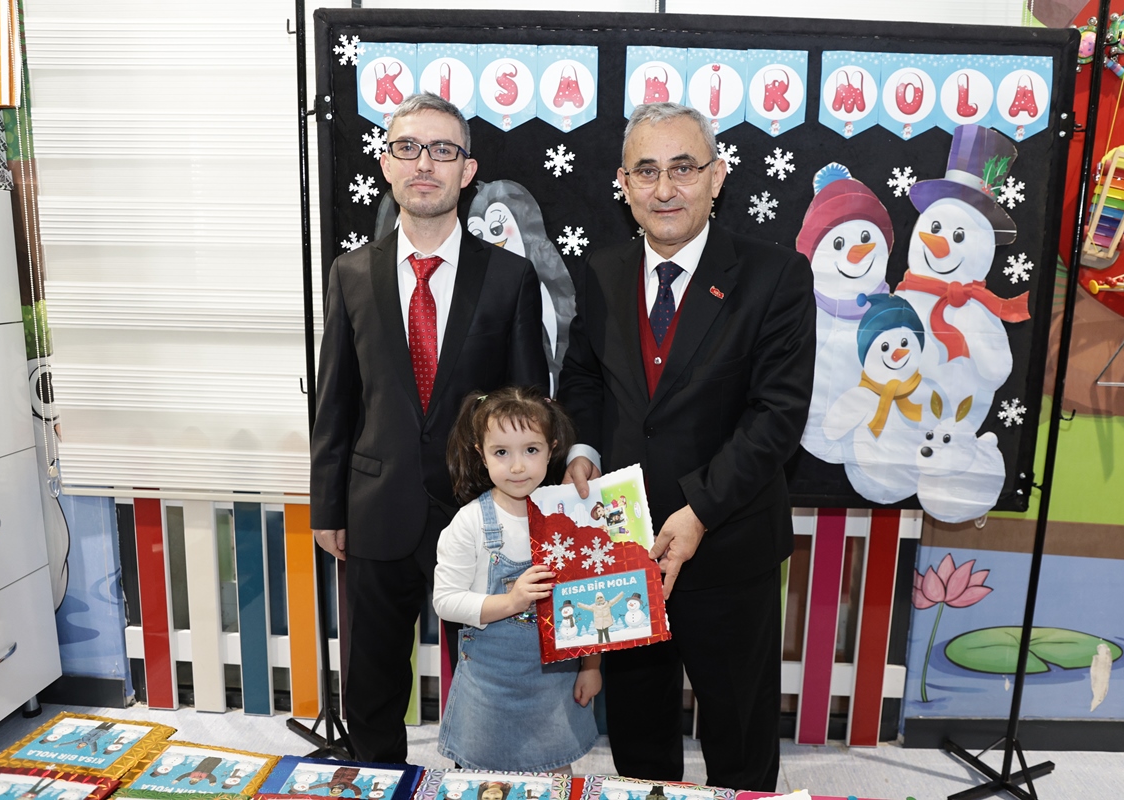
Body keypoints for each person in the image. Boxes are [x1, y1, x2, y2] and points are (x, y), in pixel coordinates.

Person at [557, 102, 815, 791]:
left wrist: (699, 510)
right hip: (623, 546)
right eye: (646, 171)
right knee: (638, 733)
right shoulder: (601, 270)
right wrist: (582, 448)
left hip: (727, 543)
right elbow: (583, 375)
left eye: (683, 168)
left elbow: (777, 416)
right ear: (623, 184)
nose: (664, 188)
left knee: (739, 738)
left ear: (717, 176)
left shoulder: (775, 275)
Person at [310, 92, 548, 763]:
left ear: (466, 171)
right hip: (375, 506)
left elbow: (529, 405)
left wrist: (534, 509)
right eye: (408, 148)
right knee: (372, 681)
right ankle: (378, 776)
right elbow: (336, 401)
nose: (424, 163)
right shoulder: (351, 274)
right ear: (387, 164)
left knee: (496, 672)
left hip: (478, 510)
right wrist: (327, 506)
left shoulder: (509, 277)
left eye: (442, 150)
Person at [433, 386, 600, 772]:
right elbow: (445, 601)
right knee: (486, 786)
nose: (518, 466)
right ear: (481, 453)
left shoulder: (567, 516)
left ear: (551, 449)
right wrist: (511, 601)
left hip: (553, 689)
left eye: (531, 450)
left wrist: (591, 668)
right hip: (489, 691)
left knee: (555, 781)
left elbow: (588, 595)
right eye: (501, 453)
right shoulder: (470, 522)